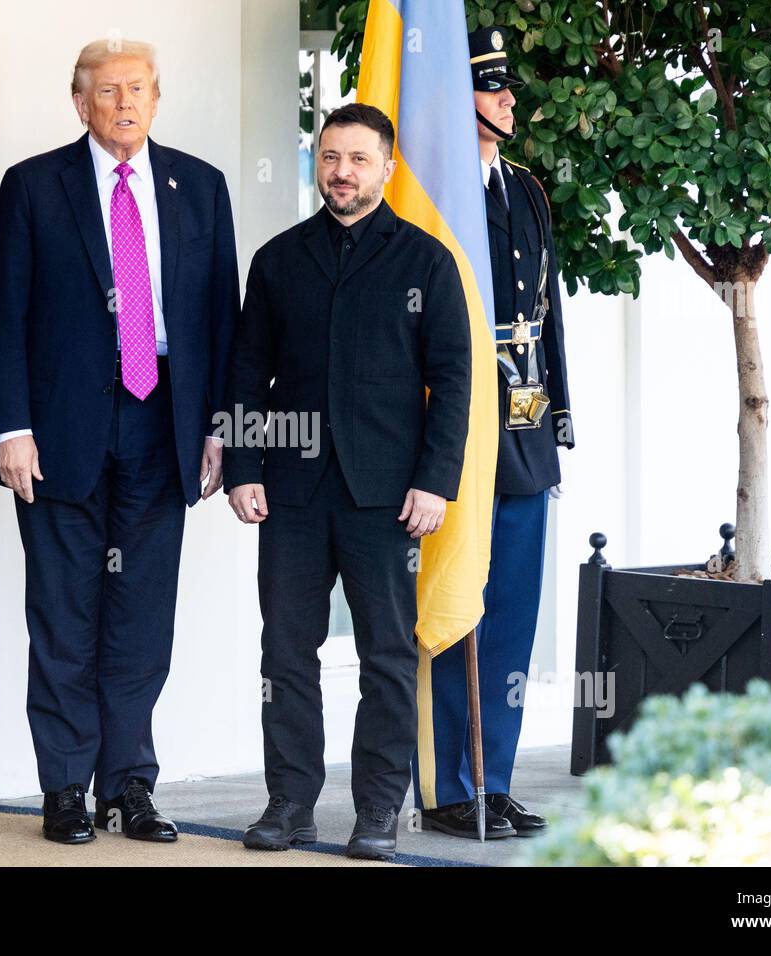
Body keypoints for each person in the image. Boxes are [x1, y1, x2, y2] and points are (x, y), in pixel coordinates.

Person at [0, 39, 239, 845]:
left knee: (140, 617)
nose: (124, 102)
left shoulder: (199, 188)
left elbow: (220, 324)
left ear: (157, 99)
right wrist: (9, 429)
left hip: (163, 421)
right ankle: (64, 787)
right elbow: (5, 318)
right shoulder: (31, 187)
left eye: (137, 89)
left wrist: (219, 428)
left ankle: (130, 785)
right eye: (107, 91)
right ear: (79, 102)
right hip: (58, 432)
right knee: (63, 614)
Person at [225, 103, 472, 861]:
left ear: (386, 169)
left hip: (388, 495)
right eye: (331, 157)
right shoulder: (278, 259)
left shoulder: (425, 261)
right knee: (286, 657)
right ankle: (290, 804)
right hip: (291, 492)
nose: (342, 172)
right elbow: (245, 371)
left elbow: (455, 379)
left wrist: (434, 482)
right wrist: (240, 466)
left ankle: (375, 813)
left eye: (359, 159)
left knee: (387, 658)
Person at [413, 26, 575, 840]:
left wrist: (561, 414)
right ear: (456, 96)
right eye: (492, 85)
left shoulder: (527, 191)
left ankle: (494, 779)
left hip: (524, 425)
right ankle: (448, 787)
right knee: (452, 607)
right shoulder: (433, 194)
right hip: (455, 427)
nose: (510, 98)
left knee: (511, 612)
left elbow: (548, 320)